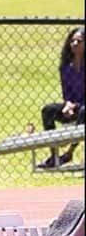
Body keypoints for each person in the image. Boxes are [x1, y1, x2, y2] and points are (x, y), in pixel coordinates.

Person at [37, 26, 85, 169]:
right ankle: (54, 155)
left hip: (83, 109)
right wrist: (68, 105)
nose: (74, 44)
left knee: (84, 111)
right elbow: (67, 92)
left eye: (79, 41)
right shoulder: (66, 67)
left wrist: (75, 106)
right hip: (74, 108)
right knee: (48, 110)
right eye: (72, 41)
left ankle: (69, 153)